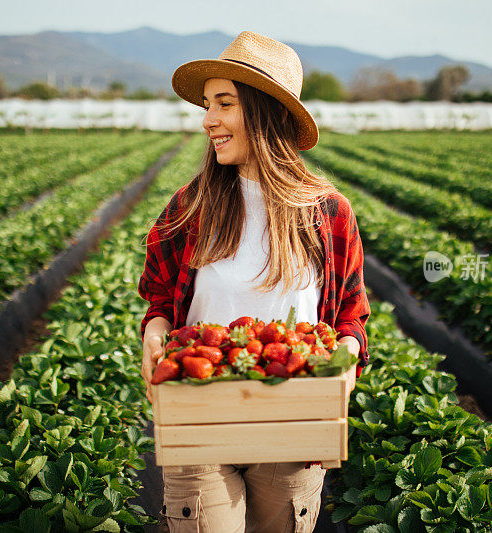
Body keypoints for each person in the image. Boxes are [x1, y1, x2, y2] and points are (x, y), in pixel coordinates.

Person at [138, 31, 370, 532]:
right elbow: (159, 297)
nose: (208, 121)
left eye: (225, 104)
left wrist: (344, 363)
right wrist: (154, 336)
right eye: (206, 105)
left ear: (268, 112)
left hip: (292, 422)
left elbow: (349, 316)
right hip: (199, 414)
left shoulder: (326, 214)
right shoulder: (190, 207)